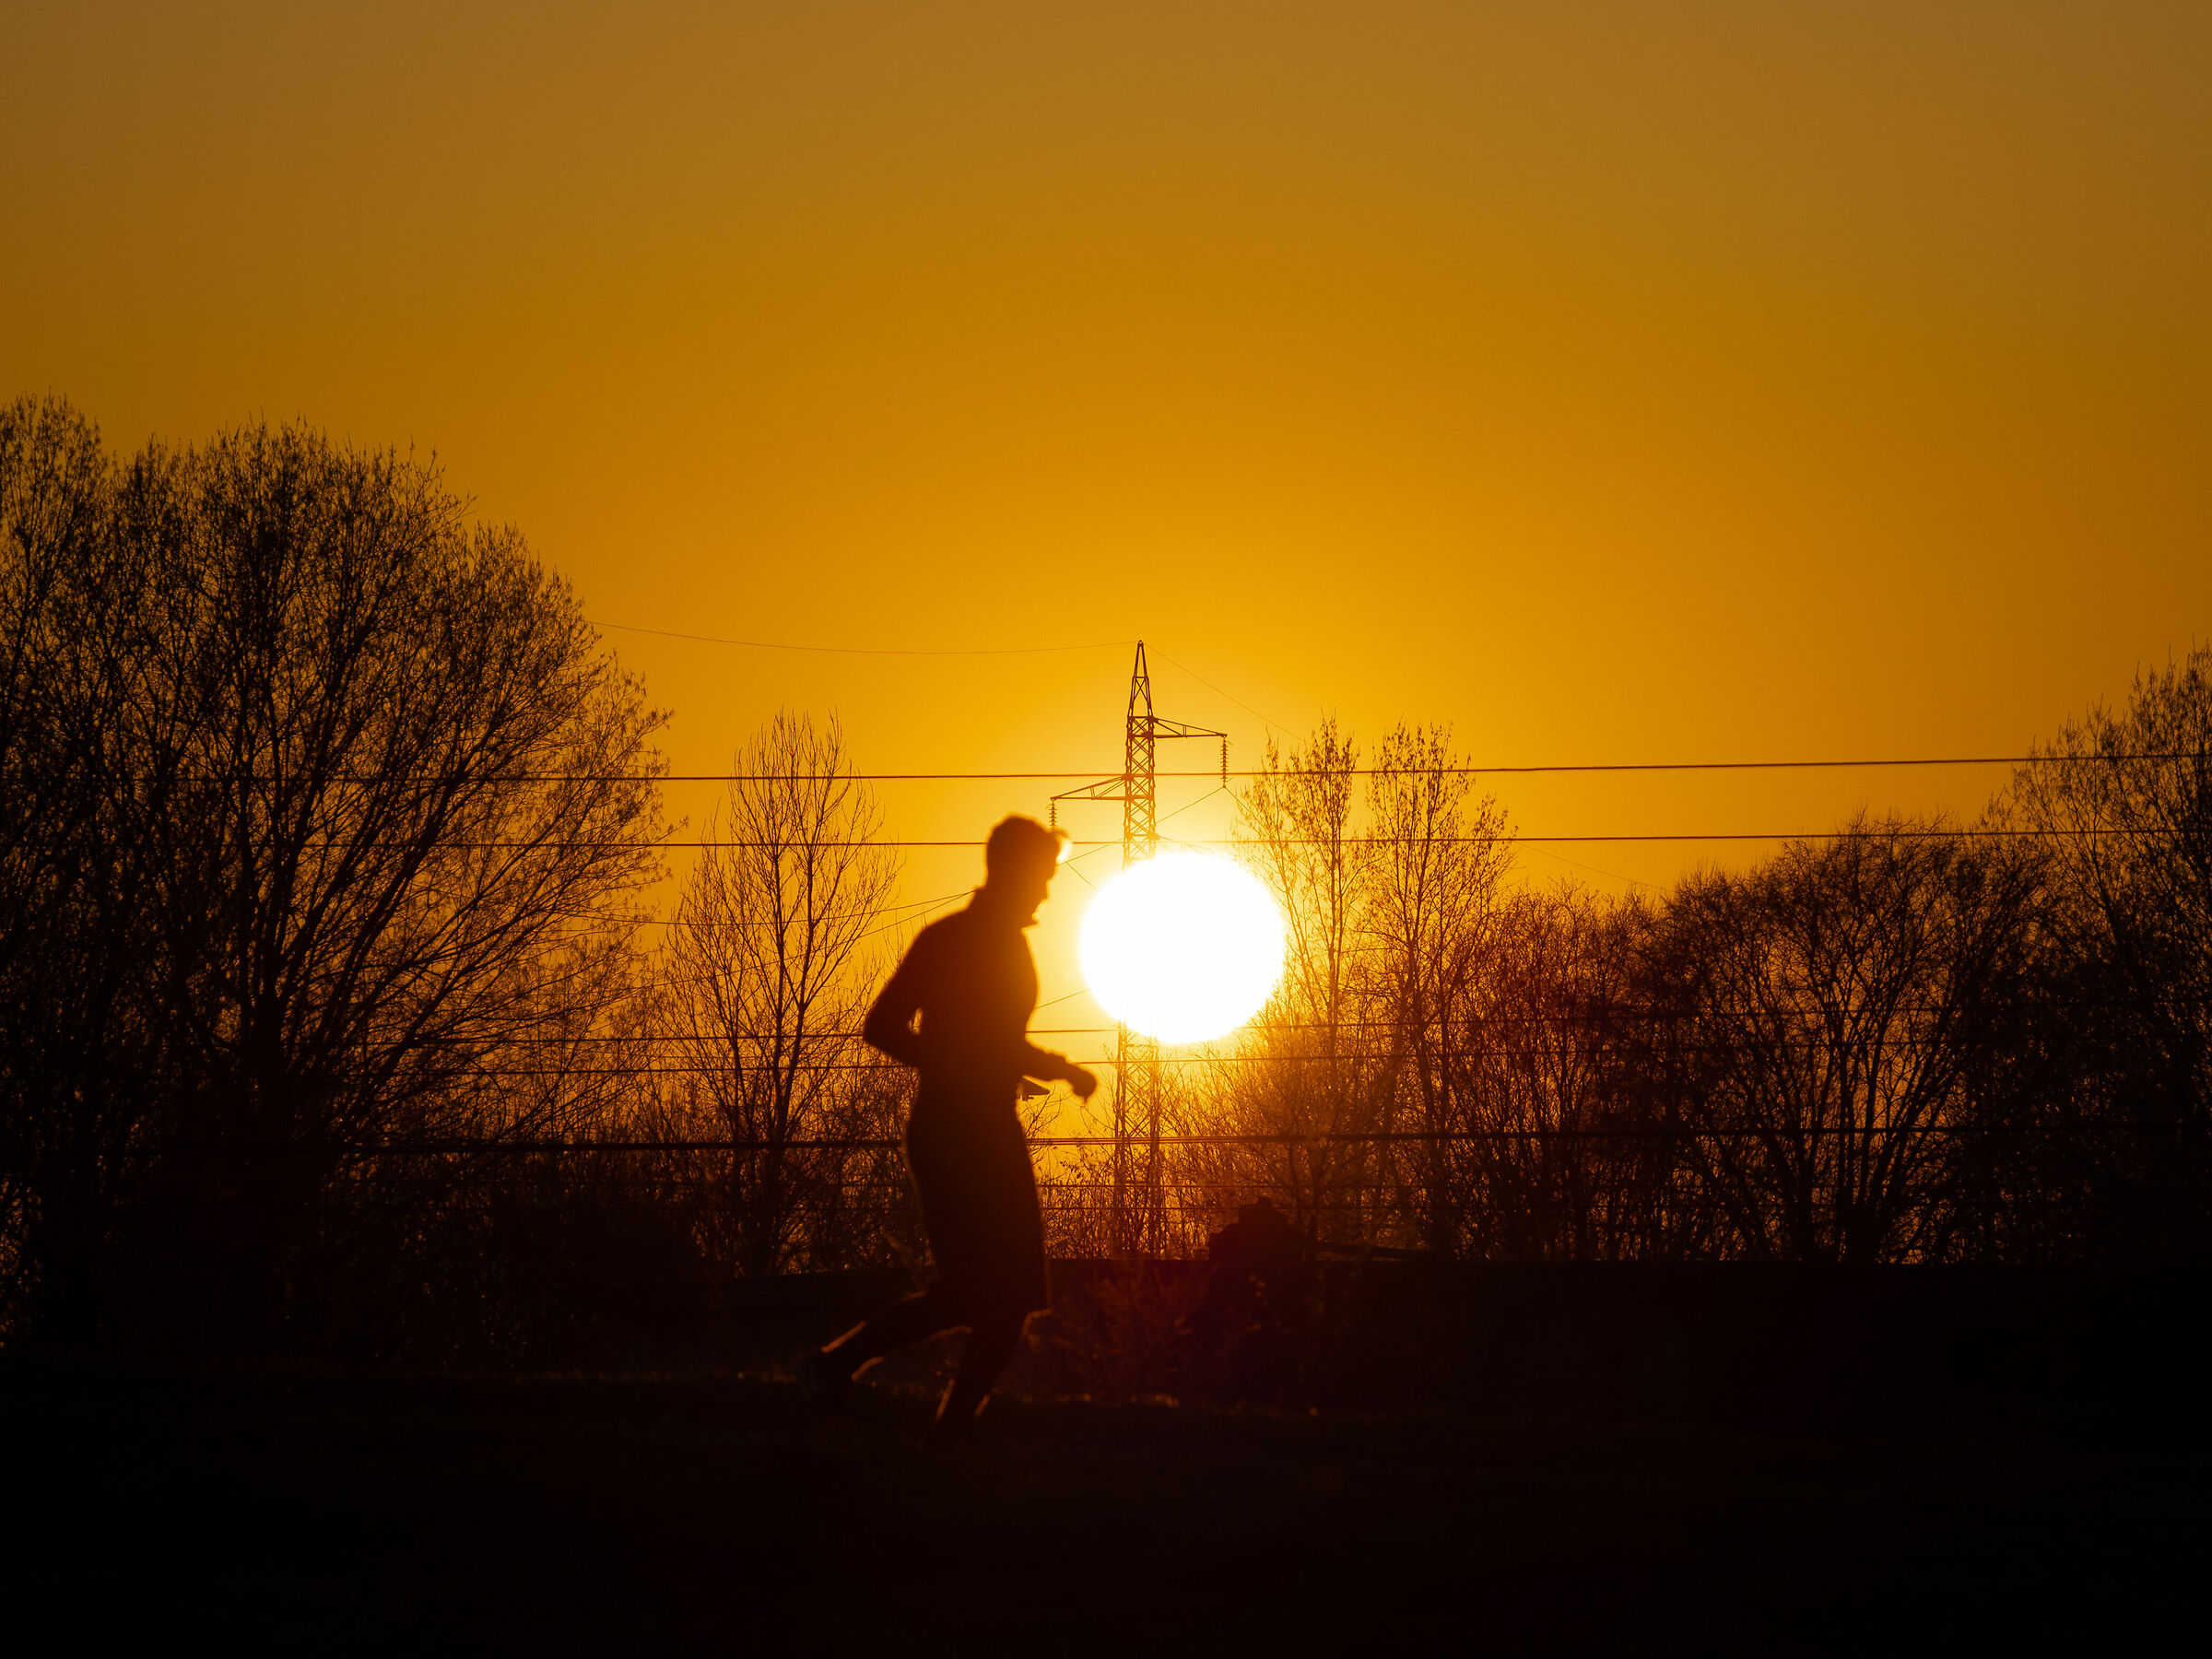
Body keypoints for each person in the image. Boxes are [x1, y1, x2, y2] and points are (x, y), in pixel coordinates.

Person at [801, 814, 1099, 1438]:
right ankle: (847, 1371)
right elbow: (882, 1025)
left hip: (991, 1127)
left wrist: (1058, 1068)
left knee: (1011, 1296)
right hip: (950, 1134)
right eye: (1042, 876)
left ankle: (937, 1420)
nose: (1047, 891)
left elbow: (998, 1042)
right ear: (1014, 871)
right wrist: (949, 1062)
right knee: (978, 1292)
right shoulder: (950, 941)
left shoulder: (1006, 943)